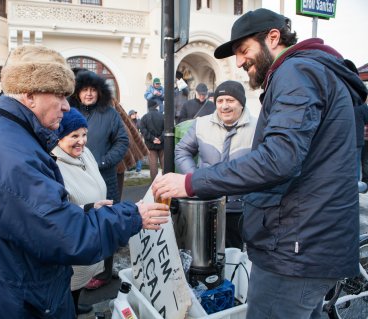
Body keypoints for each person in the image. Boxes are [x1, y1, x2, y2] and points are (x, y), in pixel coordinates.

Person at [153, 8, 367, 318]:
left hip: (297, 248)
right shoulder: (311, 71)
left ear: (273, 37)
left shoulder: (296, 73)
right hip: (308, 242)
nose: (239, 61)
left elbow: (278, 159)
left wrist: (189, 182)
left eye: (244, 50)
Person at [0, 45, 169, 318]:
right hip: (10, 300)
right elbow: (65, 236)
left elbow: (26, 216)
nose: (67, 106)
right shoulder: (12, 150)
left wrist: (81, 212)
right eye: (59, 95)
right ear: (29, 94)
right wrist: (133, 214)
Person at [175, 81, 256, 249]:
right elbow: (182, 150)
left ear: (241, 103)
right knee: (204, 255)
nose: (224, 106)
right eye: (220, 101)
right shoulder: (201, 124)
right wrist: (196, 178)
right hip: (206, 203)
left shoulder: (258, 127)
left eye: (230, 100)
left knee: (235, 255)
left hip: (241, 208)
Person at [70, 70, 130, 290]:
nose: (88, 94)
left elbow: (122, 142)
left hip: (105, 178)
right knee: (82, 223)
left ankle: (104, 273)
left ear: (99, 92)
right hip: (75, 178)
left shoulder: (110, 113)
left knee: (106, 224)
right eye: (84, 89)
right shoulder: (69, 111)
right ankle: (82, 272)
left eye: (92, 90)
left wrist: (104, 162)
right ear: (78, 92)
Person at [52, 108, 109, 315]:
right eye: (74, 135)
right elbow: (56, 210)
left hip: (92, 230)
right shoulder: (53, 164)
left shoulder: (85, 153)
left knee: (84, 276)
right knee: (71, 280)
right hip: (73, 236)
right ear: (59, 137)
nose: (82, 141)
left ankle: (76, 304)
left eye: (84, 134)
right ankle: (70, 309)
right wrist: (89, 209)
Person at [344, 59, 368, 193]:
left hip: (345, 139)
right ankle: (355, 187)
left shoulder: (342, 100)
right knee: (356, 165)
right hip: (358, 139)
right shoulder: (361, 104)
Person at [140, 99, 164, 182]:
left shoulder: (144, 117)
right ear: (156, 106)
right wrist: (160, 139)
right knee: (165, 164)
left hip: (150, 145)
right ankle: (166, 182)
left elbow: (143, 130)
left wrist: (152, 139)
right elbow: (166, 129)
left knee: (153, 166)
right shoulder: (162, 116)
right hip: (162, 144)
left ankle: (155, 183)